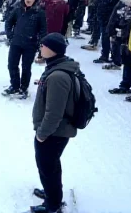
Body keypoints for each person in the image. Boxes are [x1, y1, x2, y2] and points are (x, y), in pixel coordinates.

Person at [31, 32, 79, 213]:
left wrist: (42, 134)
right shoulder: (57, 67)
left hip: (54, 131)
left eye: (44, 45)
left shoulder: (58, 76)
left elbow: (54, 112)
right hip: (55, 130)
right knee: (50, 165)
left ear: (53, 50)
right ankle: (52, 194)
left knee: (47, 167)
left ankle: (52, 205)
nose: (41, 48)